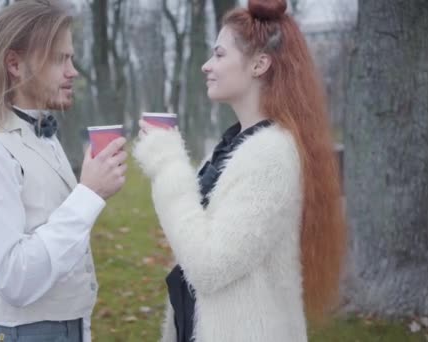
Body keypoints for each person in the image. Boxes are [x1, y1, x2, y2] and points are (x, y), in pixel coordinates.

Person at [133, 0, 346, 341]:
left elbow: (209, 266)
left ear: (260, 64)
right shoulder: (233, 147)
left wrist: (167, 163)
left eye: (219, 55)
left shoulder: (271, 155)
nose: (206, 65)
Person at [0, 1, 127, 341]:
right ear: (15, 63)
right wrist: (89, 193)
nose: (73, 71)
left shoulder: (42, 133)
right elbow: (16, 279)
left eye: (71, 58)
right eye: (60, 59)